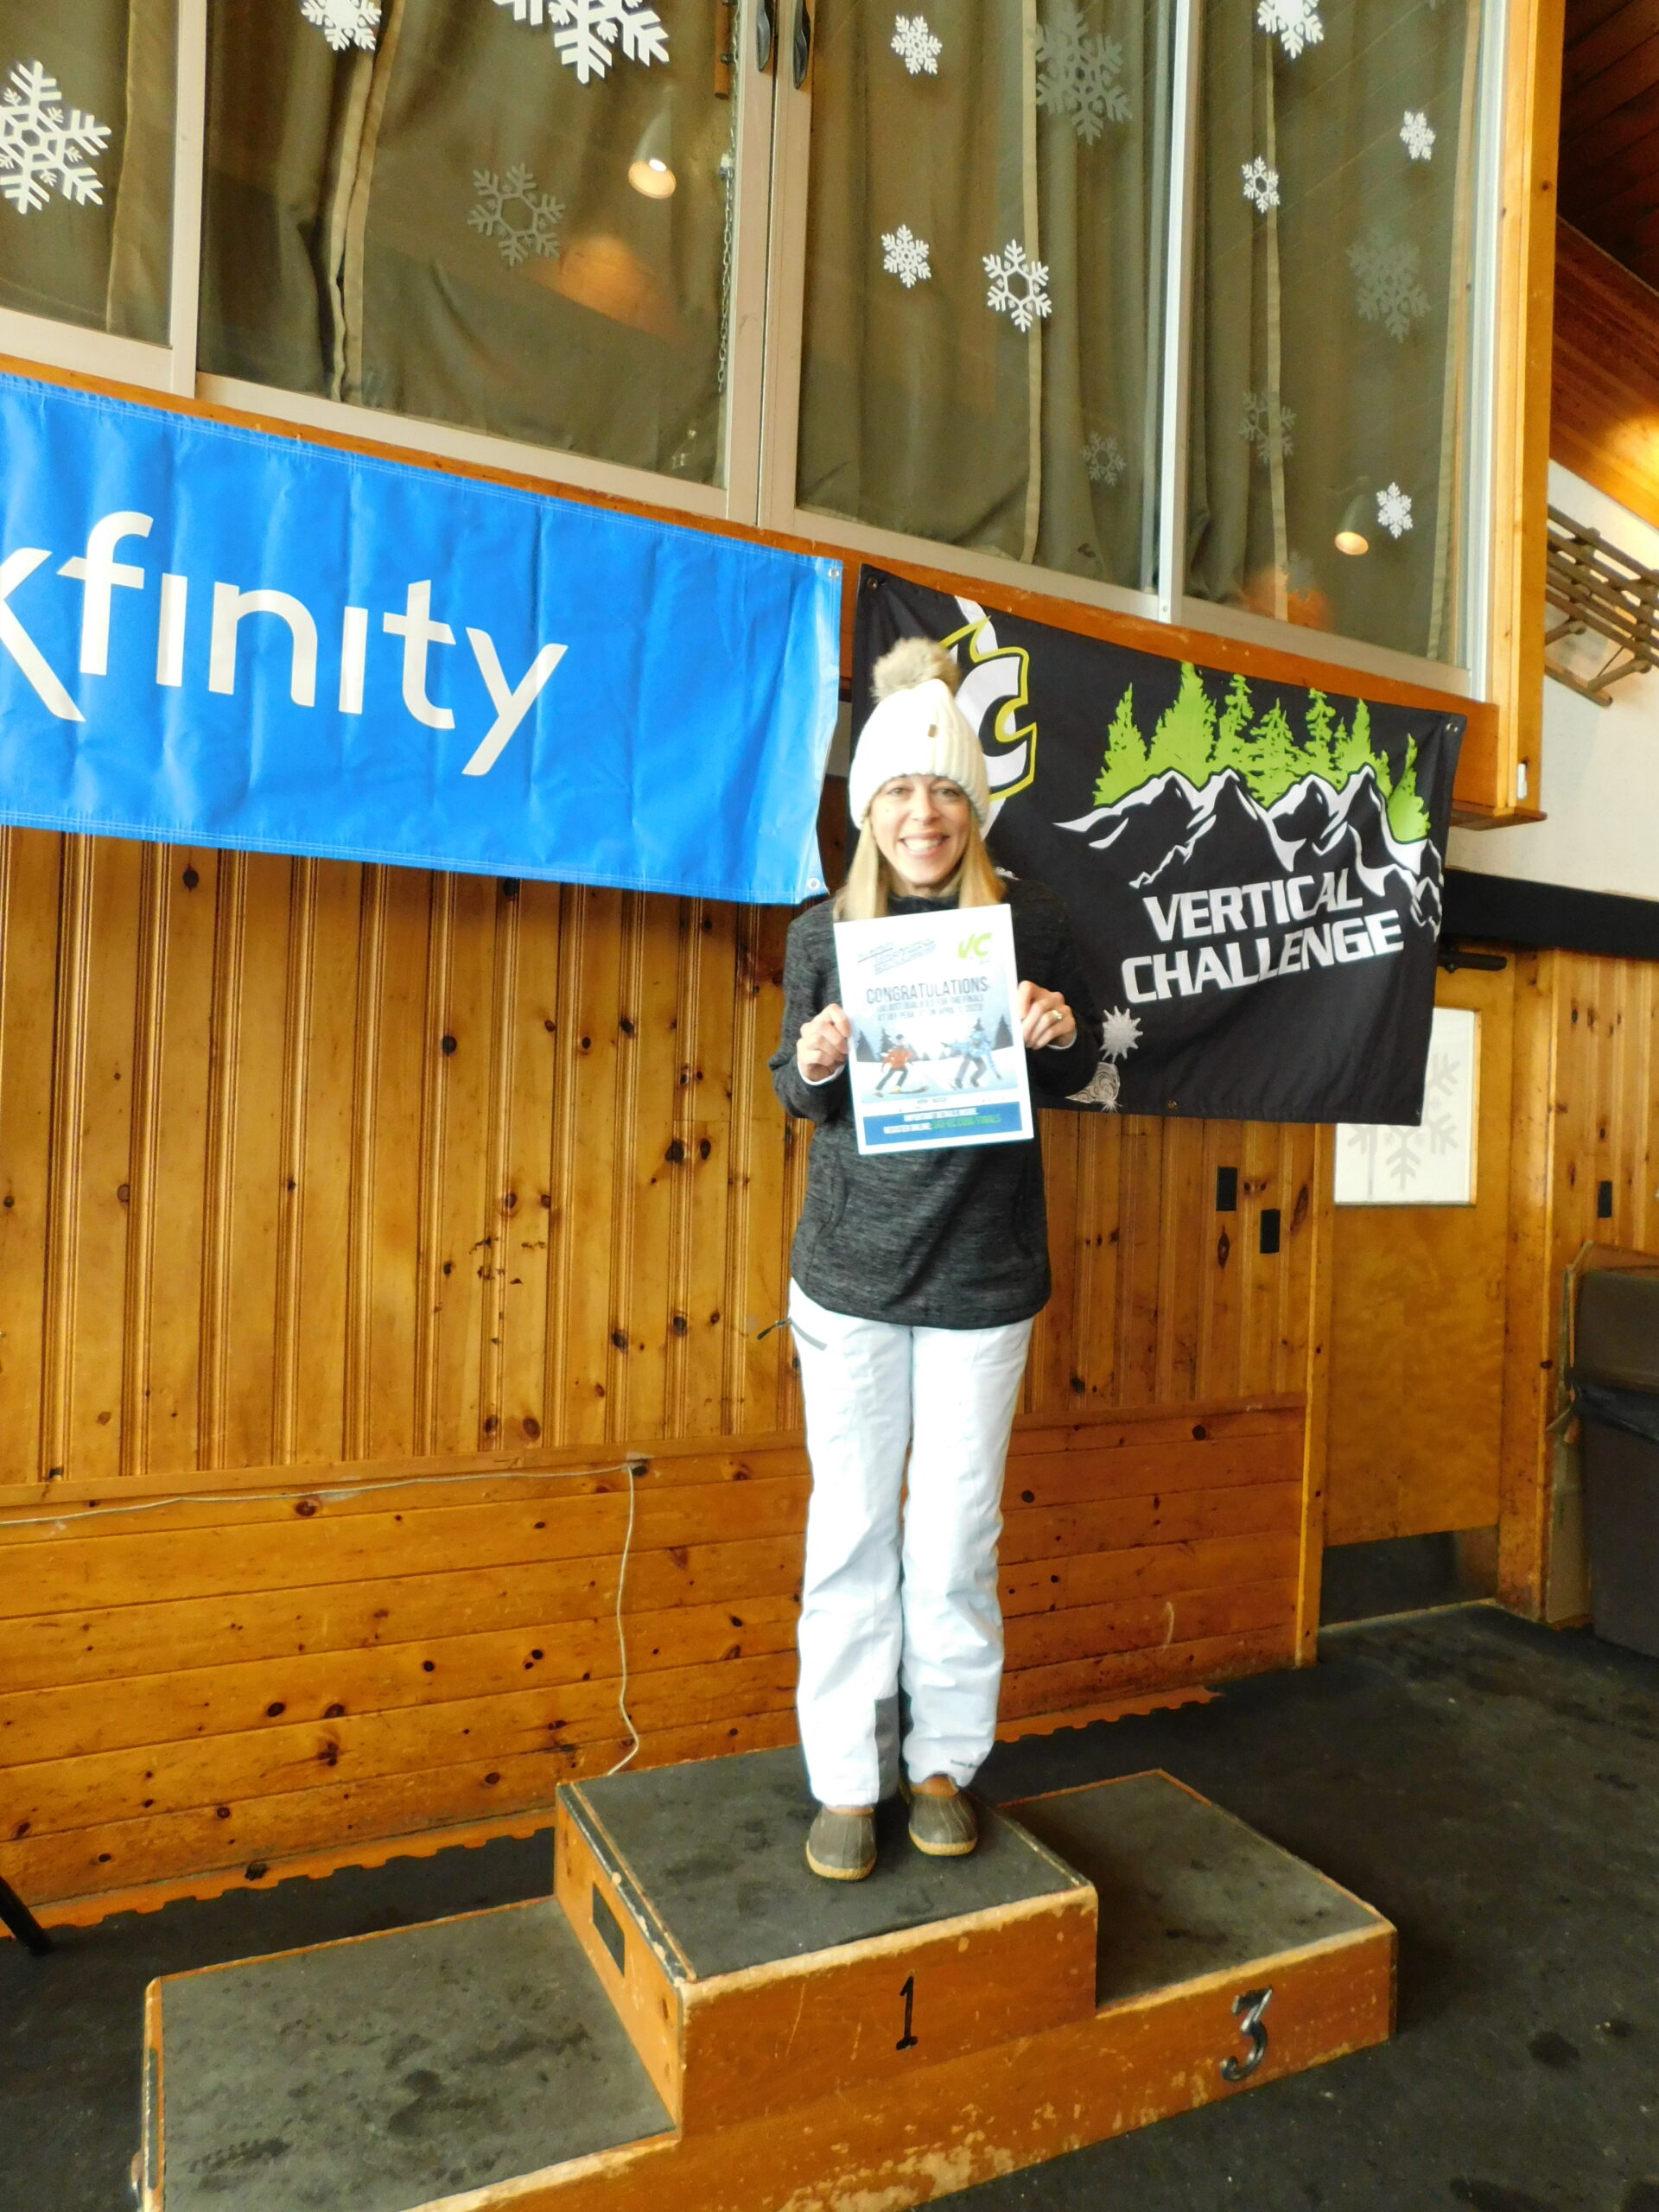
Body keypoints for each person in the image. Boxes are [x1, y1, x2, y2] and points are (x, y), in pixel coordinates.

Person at [769, 635, 1103, 1881]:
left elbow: (1072, 1069)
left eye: (947, 790)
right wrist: (813, 1062)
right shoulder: (823, 934)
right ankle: (846, 1781)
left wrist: (1058, 1032)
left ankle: (945, 1764)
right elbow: (795, 1088)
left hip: (985, 1278)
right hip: (850, 1278)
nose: (925, 813)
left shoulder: (1034, 926)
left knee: (957, 1535)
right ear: (870, 809)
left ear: (975, 807)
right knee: (852, 1530)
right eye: (902, 791)